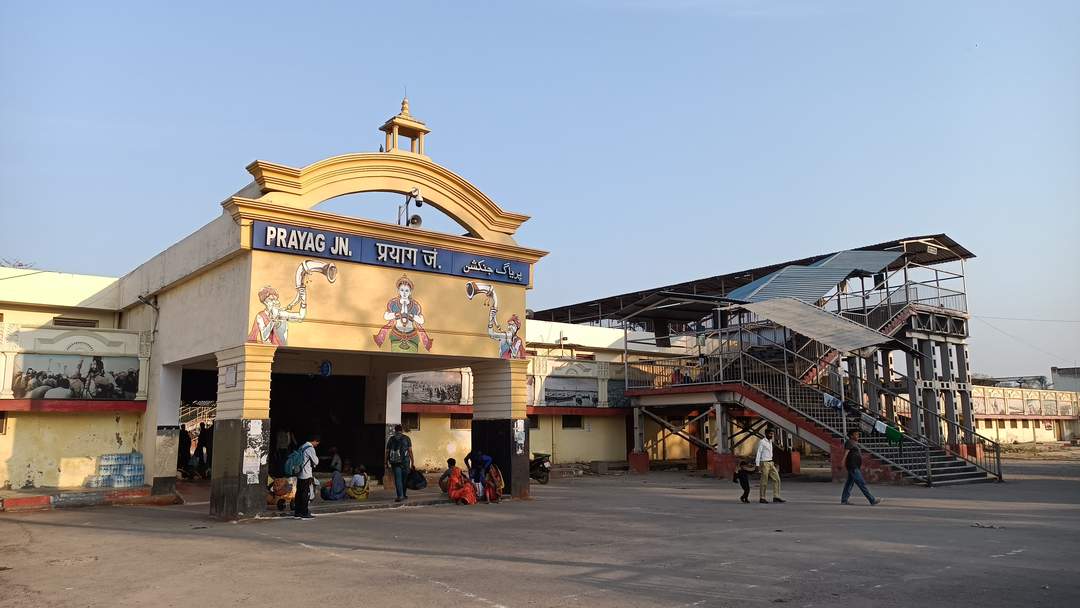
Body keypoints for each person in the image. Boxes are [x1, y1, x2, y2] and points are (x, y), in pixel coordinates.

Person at [841, 429, 883, 506]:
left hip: (855, 466)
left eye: (858, 434)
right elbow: (846, 453)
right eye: (856, 434)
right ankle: (872, 500)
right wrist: (842, 462)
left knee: (849, 483)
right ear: (851, 436)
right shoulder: (849, 442)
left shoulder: (854, 443)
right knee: (861, 483)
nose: (858, 436)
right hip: (852, 466)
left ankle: (844, 499)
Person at [384, 425, 414, 502]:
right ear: (402, 430)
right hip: (405, 462)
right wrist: (413, 462)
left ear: (395, 430)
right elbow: (410, 451)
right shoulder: (407, 438)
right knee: (404, 479)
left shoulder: (391, 439)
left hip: (395, 462)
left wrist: (385, 462)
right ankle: (403, 494)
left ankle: (400, 496)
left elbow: (387, 451)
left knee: (398, 479)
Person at [755, 428, 785, 504]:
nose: (771, 435)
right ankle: (762, 497)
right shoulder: (762, 442)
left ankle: (776, 496)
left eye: (772, 434)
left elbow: (777, 450)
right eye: (770, 434)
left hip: (771, 462)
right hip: (764, 463)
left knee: (777, 479)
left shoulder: (771, 441)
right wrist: (757, 464)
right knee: (764, 480)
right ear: (766, 434)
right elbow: (758, 453)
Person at [294, 434, 320, 519]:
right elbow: (316, 461)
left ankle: (297, 512)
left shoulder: (302, 446)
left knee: (299, 493)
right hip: (306, 474)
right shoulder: (310, 448)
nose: (316, 445)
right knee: (305, 494)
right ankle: (304, 513)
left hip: (299, 473)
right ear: (314, 441)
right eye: (317, 443)